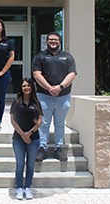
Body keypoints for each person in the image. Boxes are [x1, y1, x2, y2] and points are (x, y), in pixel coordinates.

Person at [32, 32, 77, 162]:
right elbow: (36, 74)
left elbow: (72, 73)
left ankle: (58, 148)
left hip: (63, 96)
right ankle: (42, 148)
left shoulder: (67, 57)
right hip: (44, 96)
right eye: (51, 39)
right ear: (46, 42)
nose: (53, 42)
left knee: (60, 124)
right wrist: (49, 88)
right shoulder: (40, 56)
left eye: (56, 40)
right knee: (43, 123)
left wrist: (60, 87)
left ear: (59, 41)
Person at [10, 78, 42, 200]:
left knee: (30, 164)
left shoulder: (37, 103)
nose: (26, 87)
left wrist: (29, 133)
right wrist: (23, 134)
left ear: (32, 88)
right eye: (24, 86)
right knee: (19, 164)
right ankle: (19, 188)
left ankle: (27, 187)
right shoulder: (16, 102)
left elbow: (39, 121)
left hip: (33, 139)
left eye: (28, 85)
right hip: (18, 139)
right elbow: (13, 121)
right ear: (21, 88)